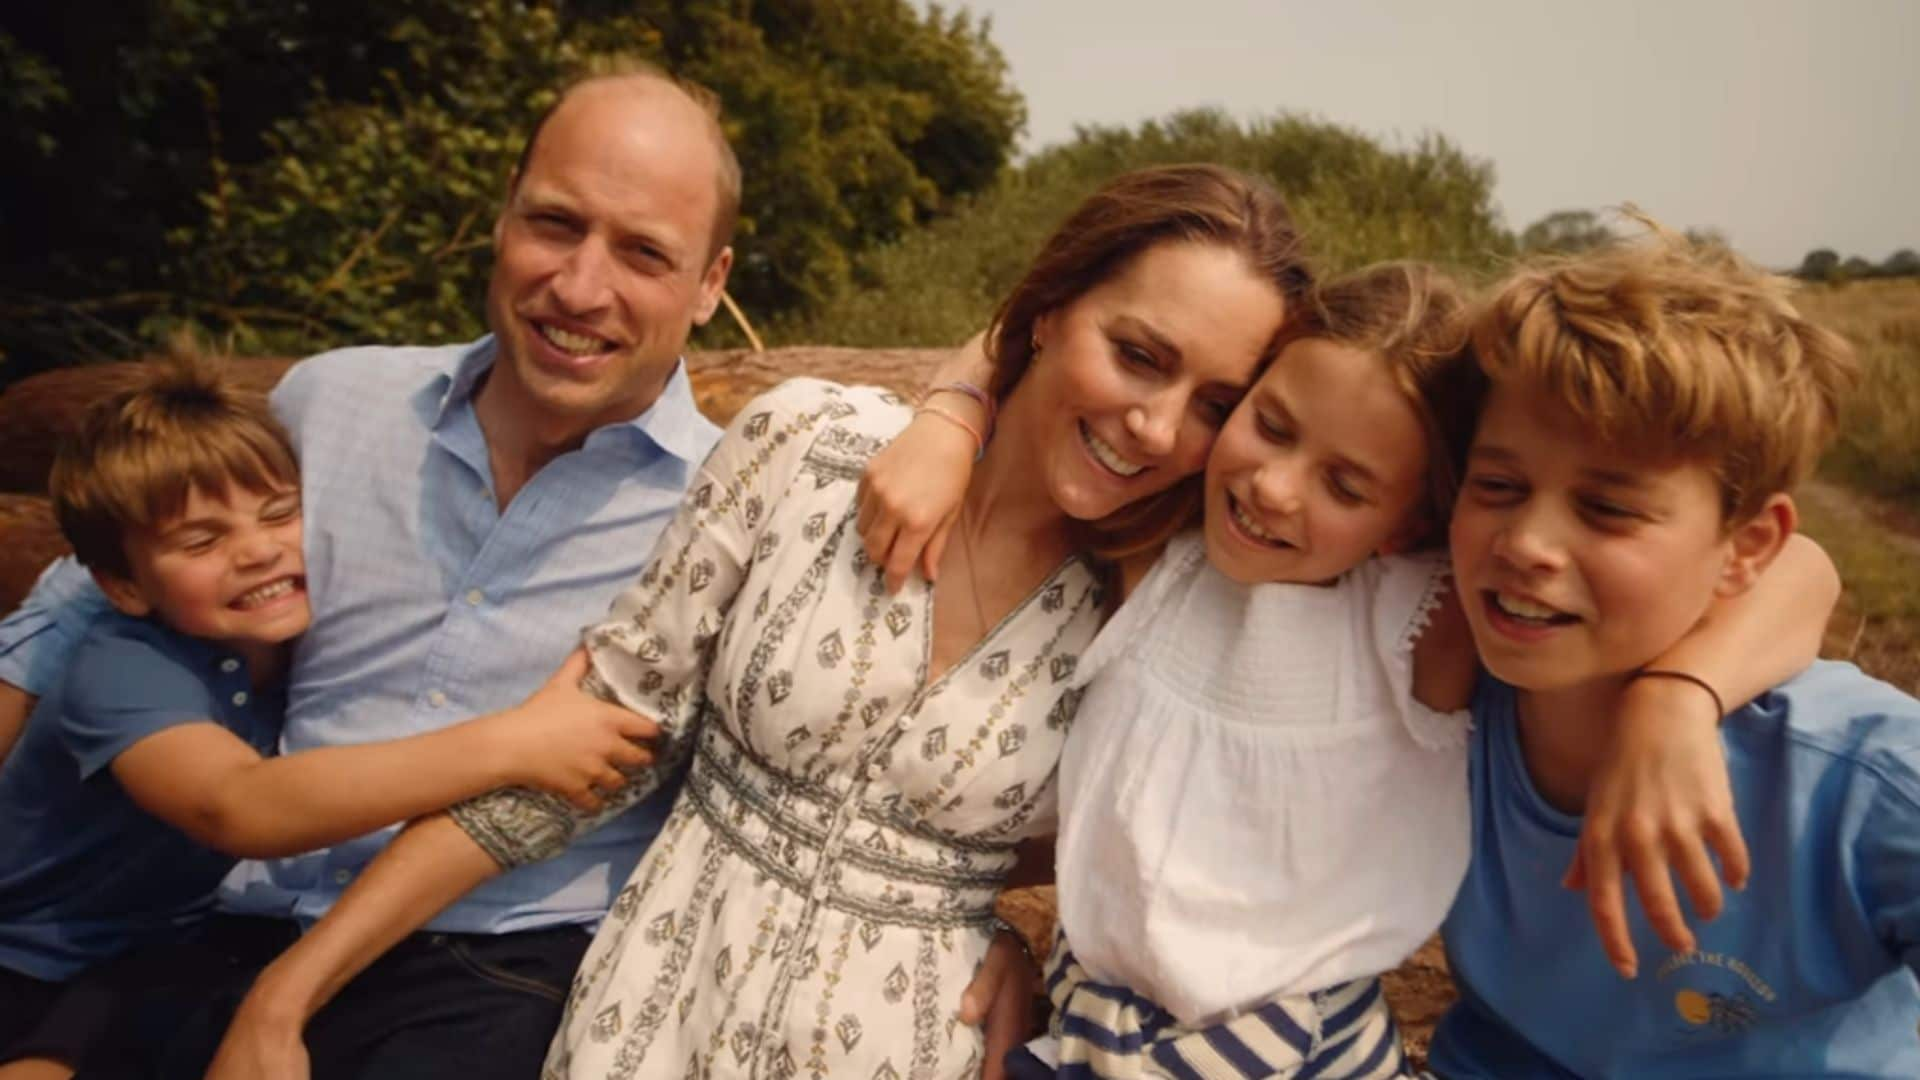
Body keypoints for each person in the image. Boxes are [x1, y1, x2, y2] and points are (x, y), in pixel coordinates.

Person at [200, 162, 1314, 1079]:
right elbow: (580, 761)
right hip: (654, 1023)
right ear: (1050, 310)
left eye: (1214, 405)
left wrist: (994, 920)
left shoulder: (1157, 601)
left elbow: (1113, 850)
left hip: (916, 1048)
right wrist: (288, 992)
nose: (1160, 428)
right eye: (1138, 356)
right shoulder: (812, 447)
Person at [864, 263, 1837, 1079]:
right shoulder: (1160, 551)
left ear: (1412, 519)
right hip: (1090, 1018)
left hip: (1285, 1043)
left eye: (1346, 484)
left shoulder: (1419, 615)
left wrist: (1678, 698)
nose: (1275, 488)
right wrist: (949, 416)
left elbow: (1801, 565)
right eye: (1273, 427)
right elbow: (1039, 335)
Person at [0, 57, 760, 1076]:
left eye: (643, 253)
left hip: (495, 956)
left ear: (711, 284)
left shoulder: (732, 511)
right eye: (555, 224)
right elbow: (103, 578)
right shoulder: (330, 405)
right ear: (502, 217)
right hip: (227, 916)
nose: (580, 287)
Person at [0, 354, 652, 1079]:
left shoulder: (290, 641)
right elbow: (237, 807)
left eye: (279, 514)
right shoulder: (123, 668)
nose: (256, 551)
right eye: (201, 542)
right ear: (123, 586)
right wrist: (514, 742)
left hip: (158, 947)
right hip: (32, 959)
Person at [1426, 224, 1920, 1077]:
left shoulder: (1852, 779)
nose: (1528, 543)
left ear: (1749, 546)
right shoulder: (1436, 706)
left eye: (1609, 509)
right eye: (1499, 486)